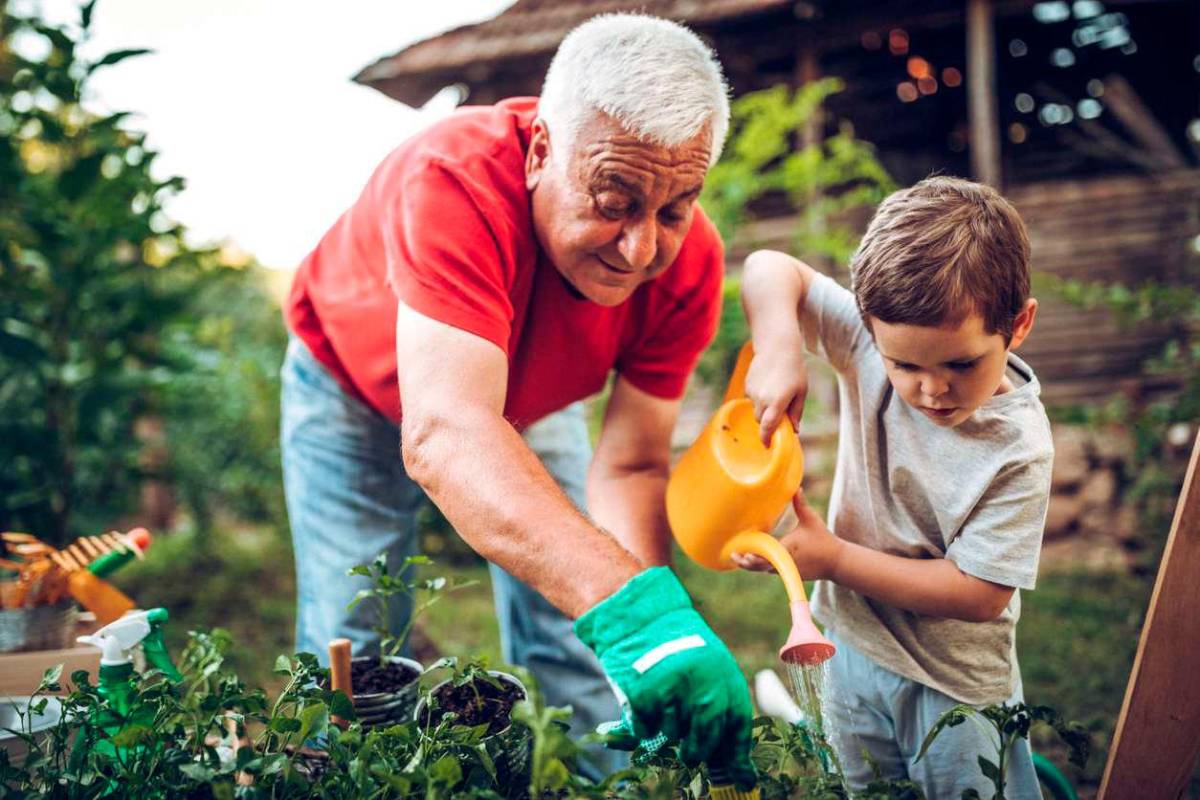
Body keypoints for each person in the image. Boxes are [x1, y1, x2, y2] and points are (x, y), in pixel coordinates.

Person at [281, 13, 754, 783]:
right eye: (614, 199)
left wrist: (662, 631)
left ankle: (622, 782)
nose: (641, 250)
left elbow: (631, 467)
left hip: (525, 402)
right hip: (350, 387)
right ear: (541, 151)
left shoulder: (688, 263)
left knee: (582, 630)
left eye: (672, 208)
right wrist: (638, 616)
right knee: (357, 640)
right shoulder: (454, 178)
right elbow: (449, 433)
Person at [733, 176, 1051, 797]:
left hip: (953, 686)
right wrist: (780, 346)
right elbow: (769, 267)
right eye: (904, 366)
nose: (932, 390)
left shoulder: (1018, 448)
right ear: (871, 327)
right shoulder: (865, 341)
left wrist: (834, 560)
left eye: (961, 364)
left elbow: (980, 593)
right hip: (848, 648)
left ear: (1017, 326)